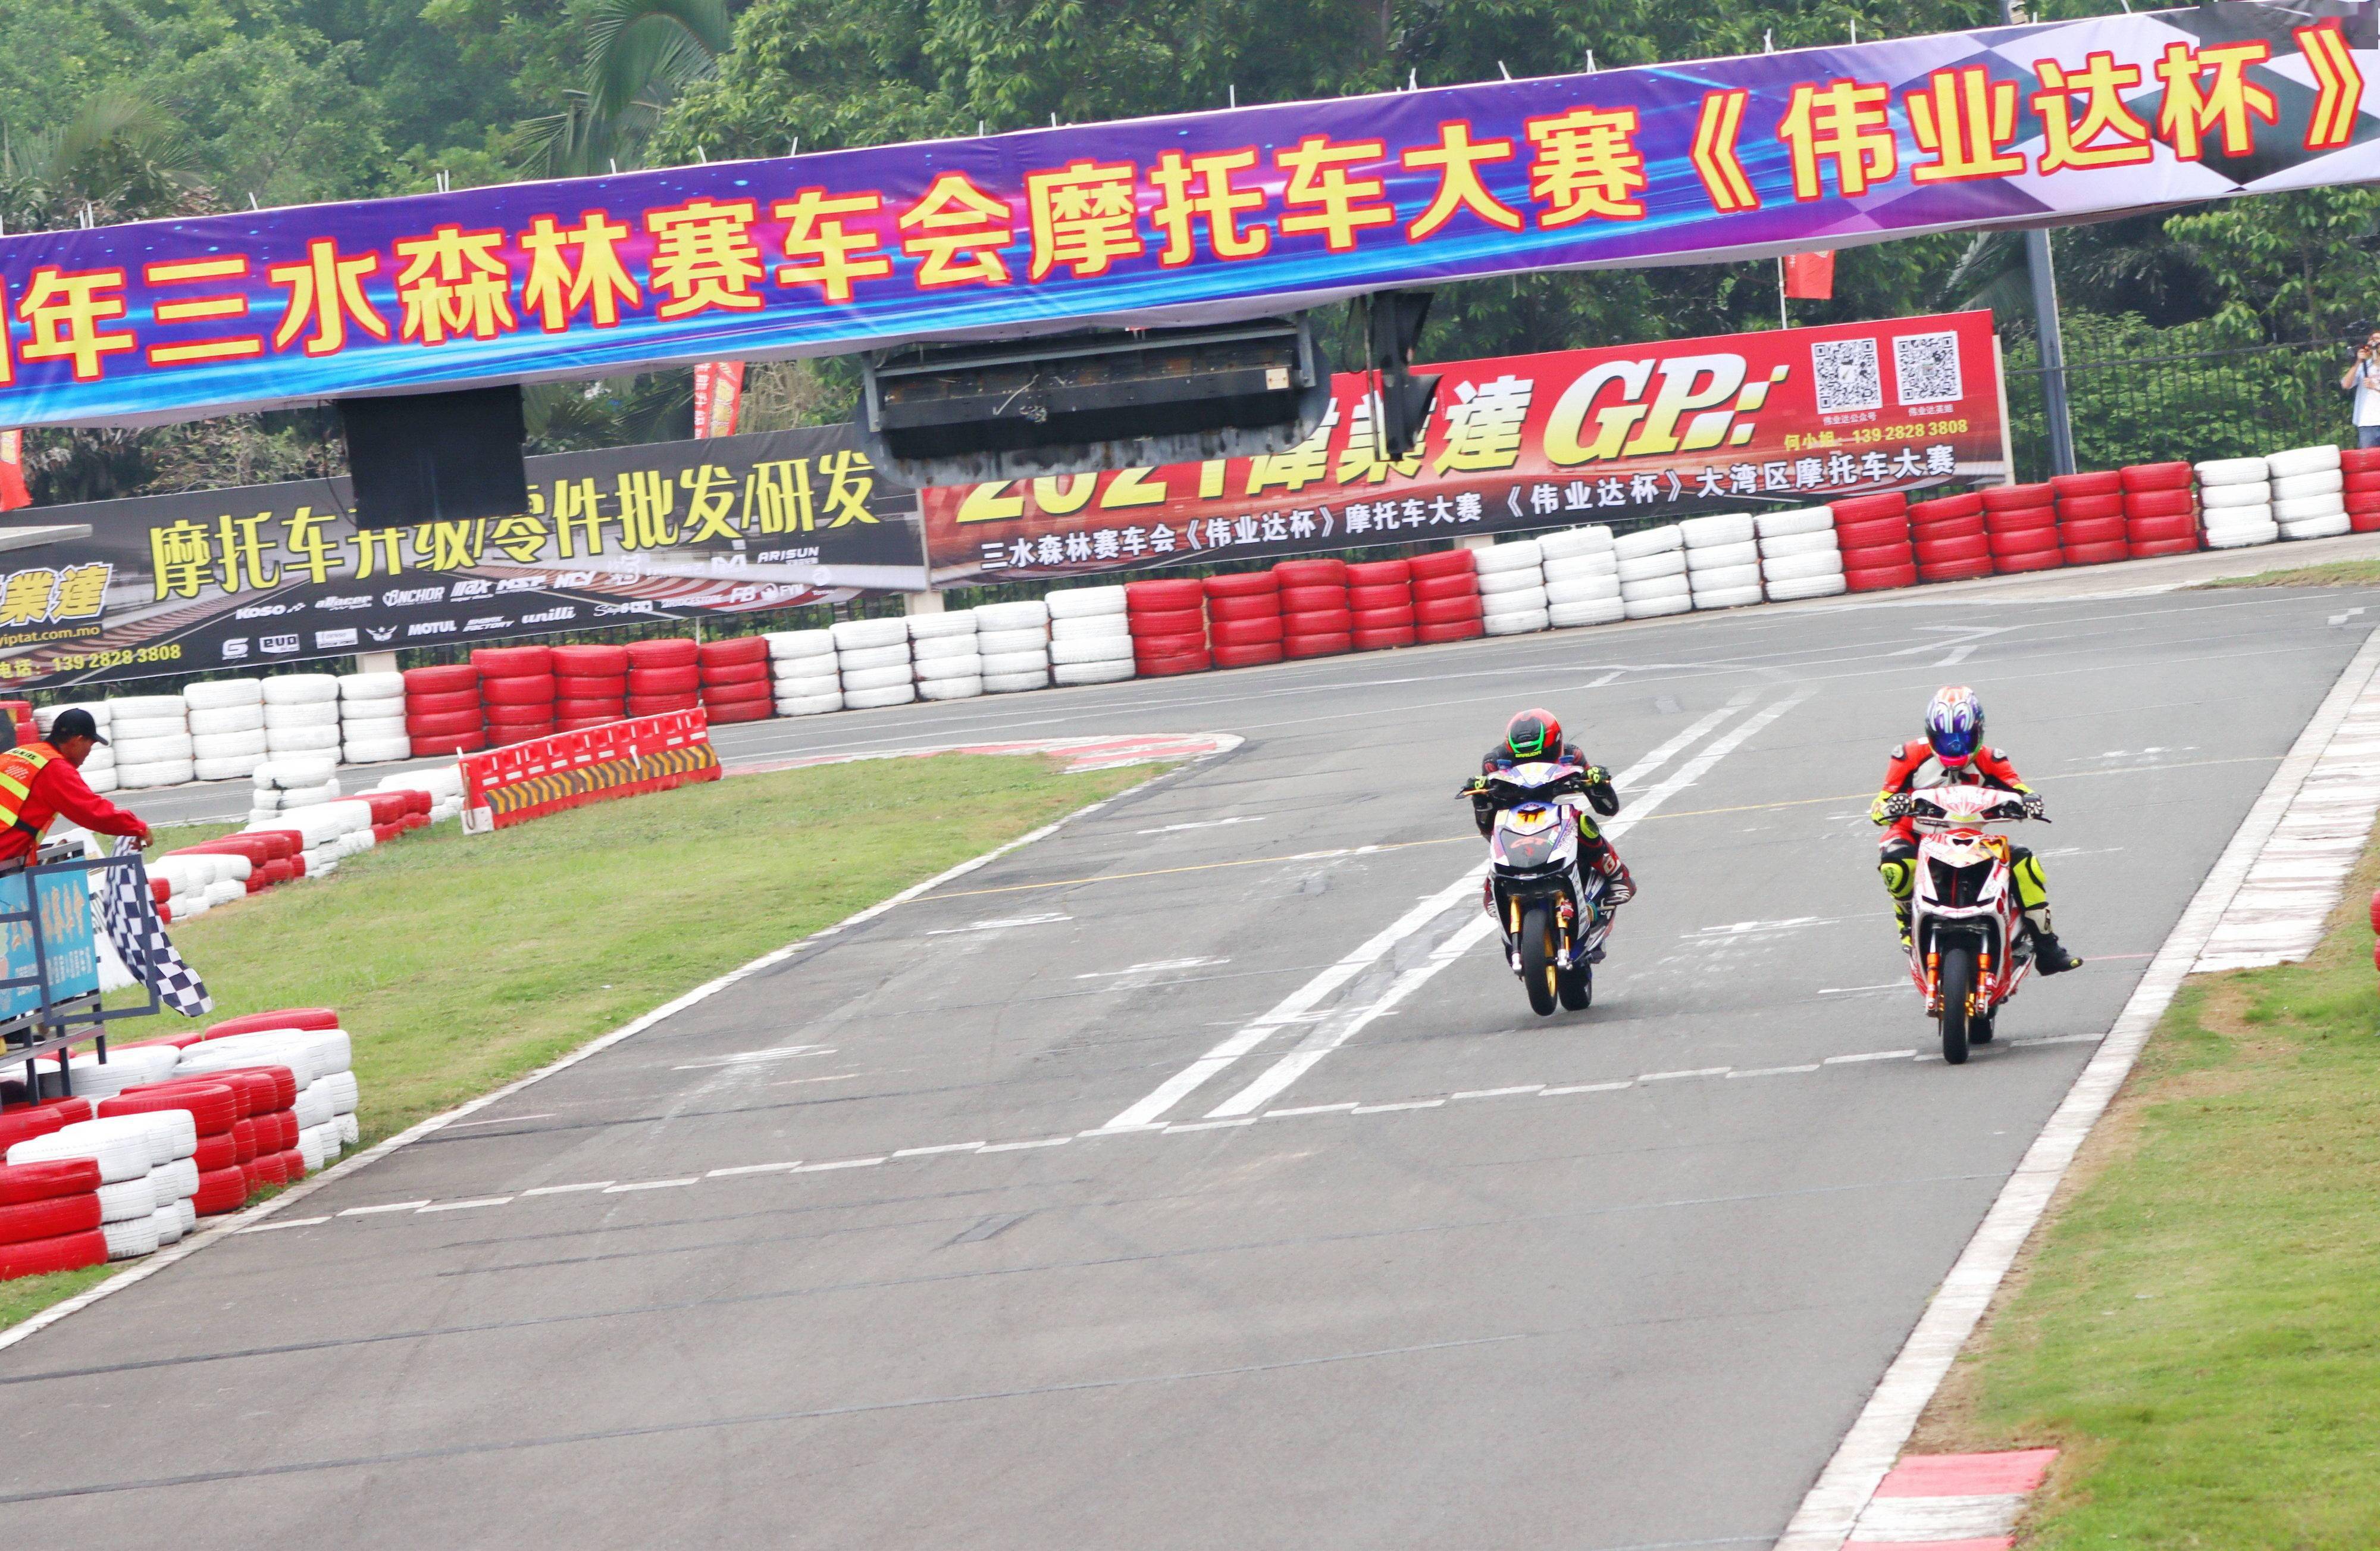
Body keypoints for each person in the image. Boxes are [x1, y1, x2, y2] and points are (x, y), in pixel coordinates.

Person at [1871, 685, 2078, 974]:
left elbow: (2020, 788)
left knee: (2024, 862)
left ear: (1978, 732)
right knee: (1896, 862)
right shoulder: (1907, 755)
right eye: (1945, 739)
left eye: (1963, 738)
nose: (1955, 746)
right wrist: (1890, 807)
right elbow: (1880, 803)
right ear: (1931, 734)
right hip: (1915, 834)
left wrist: (2030, 801)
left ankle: (2048, 947)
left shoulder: (1992, 758)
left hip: (1971, 837)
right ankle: (1907, 921)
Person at [1465, 707, 1636, 905]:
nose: (1532, 763)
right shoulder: (1493, 762)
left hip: (1551, 810)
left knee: (1580, 821)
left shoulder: (1573, 755)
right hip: (1514, 812)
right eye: (1523, 758)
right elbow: (1487, 827)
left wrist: (1598, 783)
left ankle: (1618, 875)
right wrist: (1480, 798)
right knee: (1499, 825)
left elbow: (1608, 809)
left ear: (1556, 744)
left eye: (1542, 756)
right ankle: (1494, 882)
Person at [0, 708, 152, 868]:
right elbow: (93, 813)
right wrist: (138, 827)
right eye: (90, 744)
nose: (89, 752)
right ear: (78, 740)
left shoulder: (20, 753)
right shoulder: (54, 767)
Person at [2341, 329, 2380, 449]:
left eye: (2378, 339)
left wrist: (2375, 386)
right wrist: (2359, 361)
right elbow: (2346, 384)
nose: (2374, 342)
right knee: (2368, 458)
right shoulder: (2364, 366)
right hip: (2368, 422)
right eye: (2372, 339)